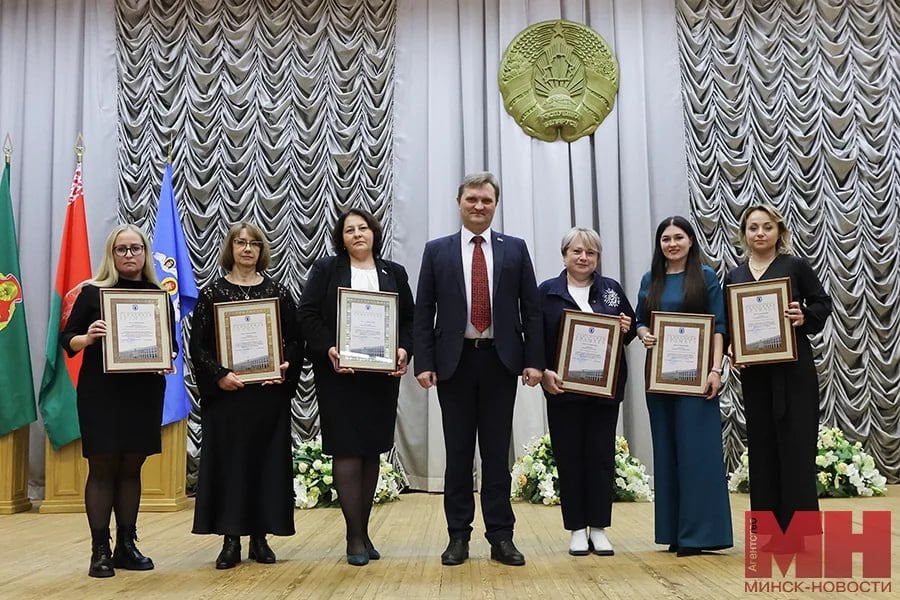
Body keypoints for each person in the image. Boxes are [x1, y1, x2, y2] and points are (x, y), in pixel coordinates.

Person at [414, 171, 544, 567]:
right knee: (457, 455)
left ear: (495, 205)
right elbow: (424, 312)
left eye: (486, 200)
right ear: (459, 203)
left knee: (494, 454)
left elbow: (532, 311)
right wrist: (425, 362)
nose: (478, 206)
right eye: (472, 199)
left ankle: (501, 537)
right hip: (454, 363)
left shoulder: (515, 250)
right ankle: (458, 537)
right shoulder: (436, 251)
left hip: (500, 362)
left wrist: (534, 360)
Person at [298, 208, 414, 566]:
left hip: (379, 378)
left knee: (371, 451)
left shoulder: (394, 272)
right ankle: (353, 537)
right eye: (350, 230)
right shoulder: (325, 270)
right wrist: (329, 348)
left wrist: (403, 349)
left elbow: (410, 319)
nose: (358, 234)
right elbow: (307, 315)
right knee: (347, 450)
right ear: (341, 238)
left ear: (374, 232)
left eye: (363, 228)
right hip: (339, 376)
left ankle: (363, 531)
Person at [61, 224, 176, 578]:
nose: (129, 255)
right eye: (122, 249)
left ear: (145, 253)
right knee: (102, 468)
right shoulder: (93, 293)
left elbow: (169, 342)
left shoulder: (158, 294)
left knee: (131, 467)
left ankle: (127, 545)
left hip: (143, 391)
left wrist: (166, 356)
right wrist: (86, 337)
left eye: (136, 248)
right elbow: (66, 339)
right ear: (111, 255)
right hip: (102, 393)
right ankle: (100, 550)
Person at [190, 222, 301, 569]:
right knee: (231, 466)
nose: (247, 249)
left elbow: (296, 341)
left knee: (265, 465)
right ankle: (230, 539)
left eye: (254, 243)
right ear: (231, 248)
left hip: (267, 396)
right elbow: (199, 347)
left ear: (261, 250)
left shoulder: (278, 292)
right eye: (240, 243)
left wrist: (284, 365)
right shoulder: (213, 294)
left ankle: (260, 538)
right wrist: (220, 376)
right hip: (228, 399)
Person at [725, 204, 832, 549]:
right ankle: (768, 535)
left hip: (794, 371)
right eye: (753, 227)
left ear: (779, 232)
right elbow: (732, 324)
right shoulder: (735, 276)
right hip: (755, 376)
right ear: (744, 234)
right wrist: (732, 348)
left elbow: (822, 304)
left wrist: (803, 315)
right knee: (761, 449)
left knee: (797, 448)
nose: (759, 233)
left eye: (766, 227)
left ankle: (800, 536)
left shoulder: (795, 266)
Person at [635, 216, 733, 557]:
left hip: (696, 380)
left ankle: (699, 536)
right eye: (666, 239)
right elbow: (640, 321)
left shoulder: (705, 277)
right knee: (667, 453)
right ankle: (674, 532)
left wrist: (715, 371)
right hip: (659, 380)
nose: (672, 243)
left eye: (678, 237)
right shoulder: (651, 280)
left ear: (691, 241)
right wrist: (643, 333)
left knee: (697, 455)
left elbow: (719, 326)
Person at [538, 228, 636, 557]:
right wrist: (543, 373)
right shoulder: (547, 292)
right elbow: (536, 338)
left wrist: (626, 328)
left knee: (600, 458)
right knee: (569, 458)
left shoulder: (611, 290)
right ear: (564, 254)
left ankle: (599, 528)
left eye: (590, 253)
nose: (583, 258)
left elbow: (630, 327)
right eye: (577, 251)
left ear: (597, 258)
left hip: (603, 392)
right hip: (563, 390)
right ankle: (577, 529)